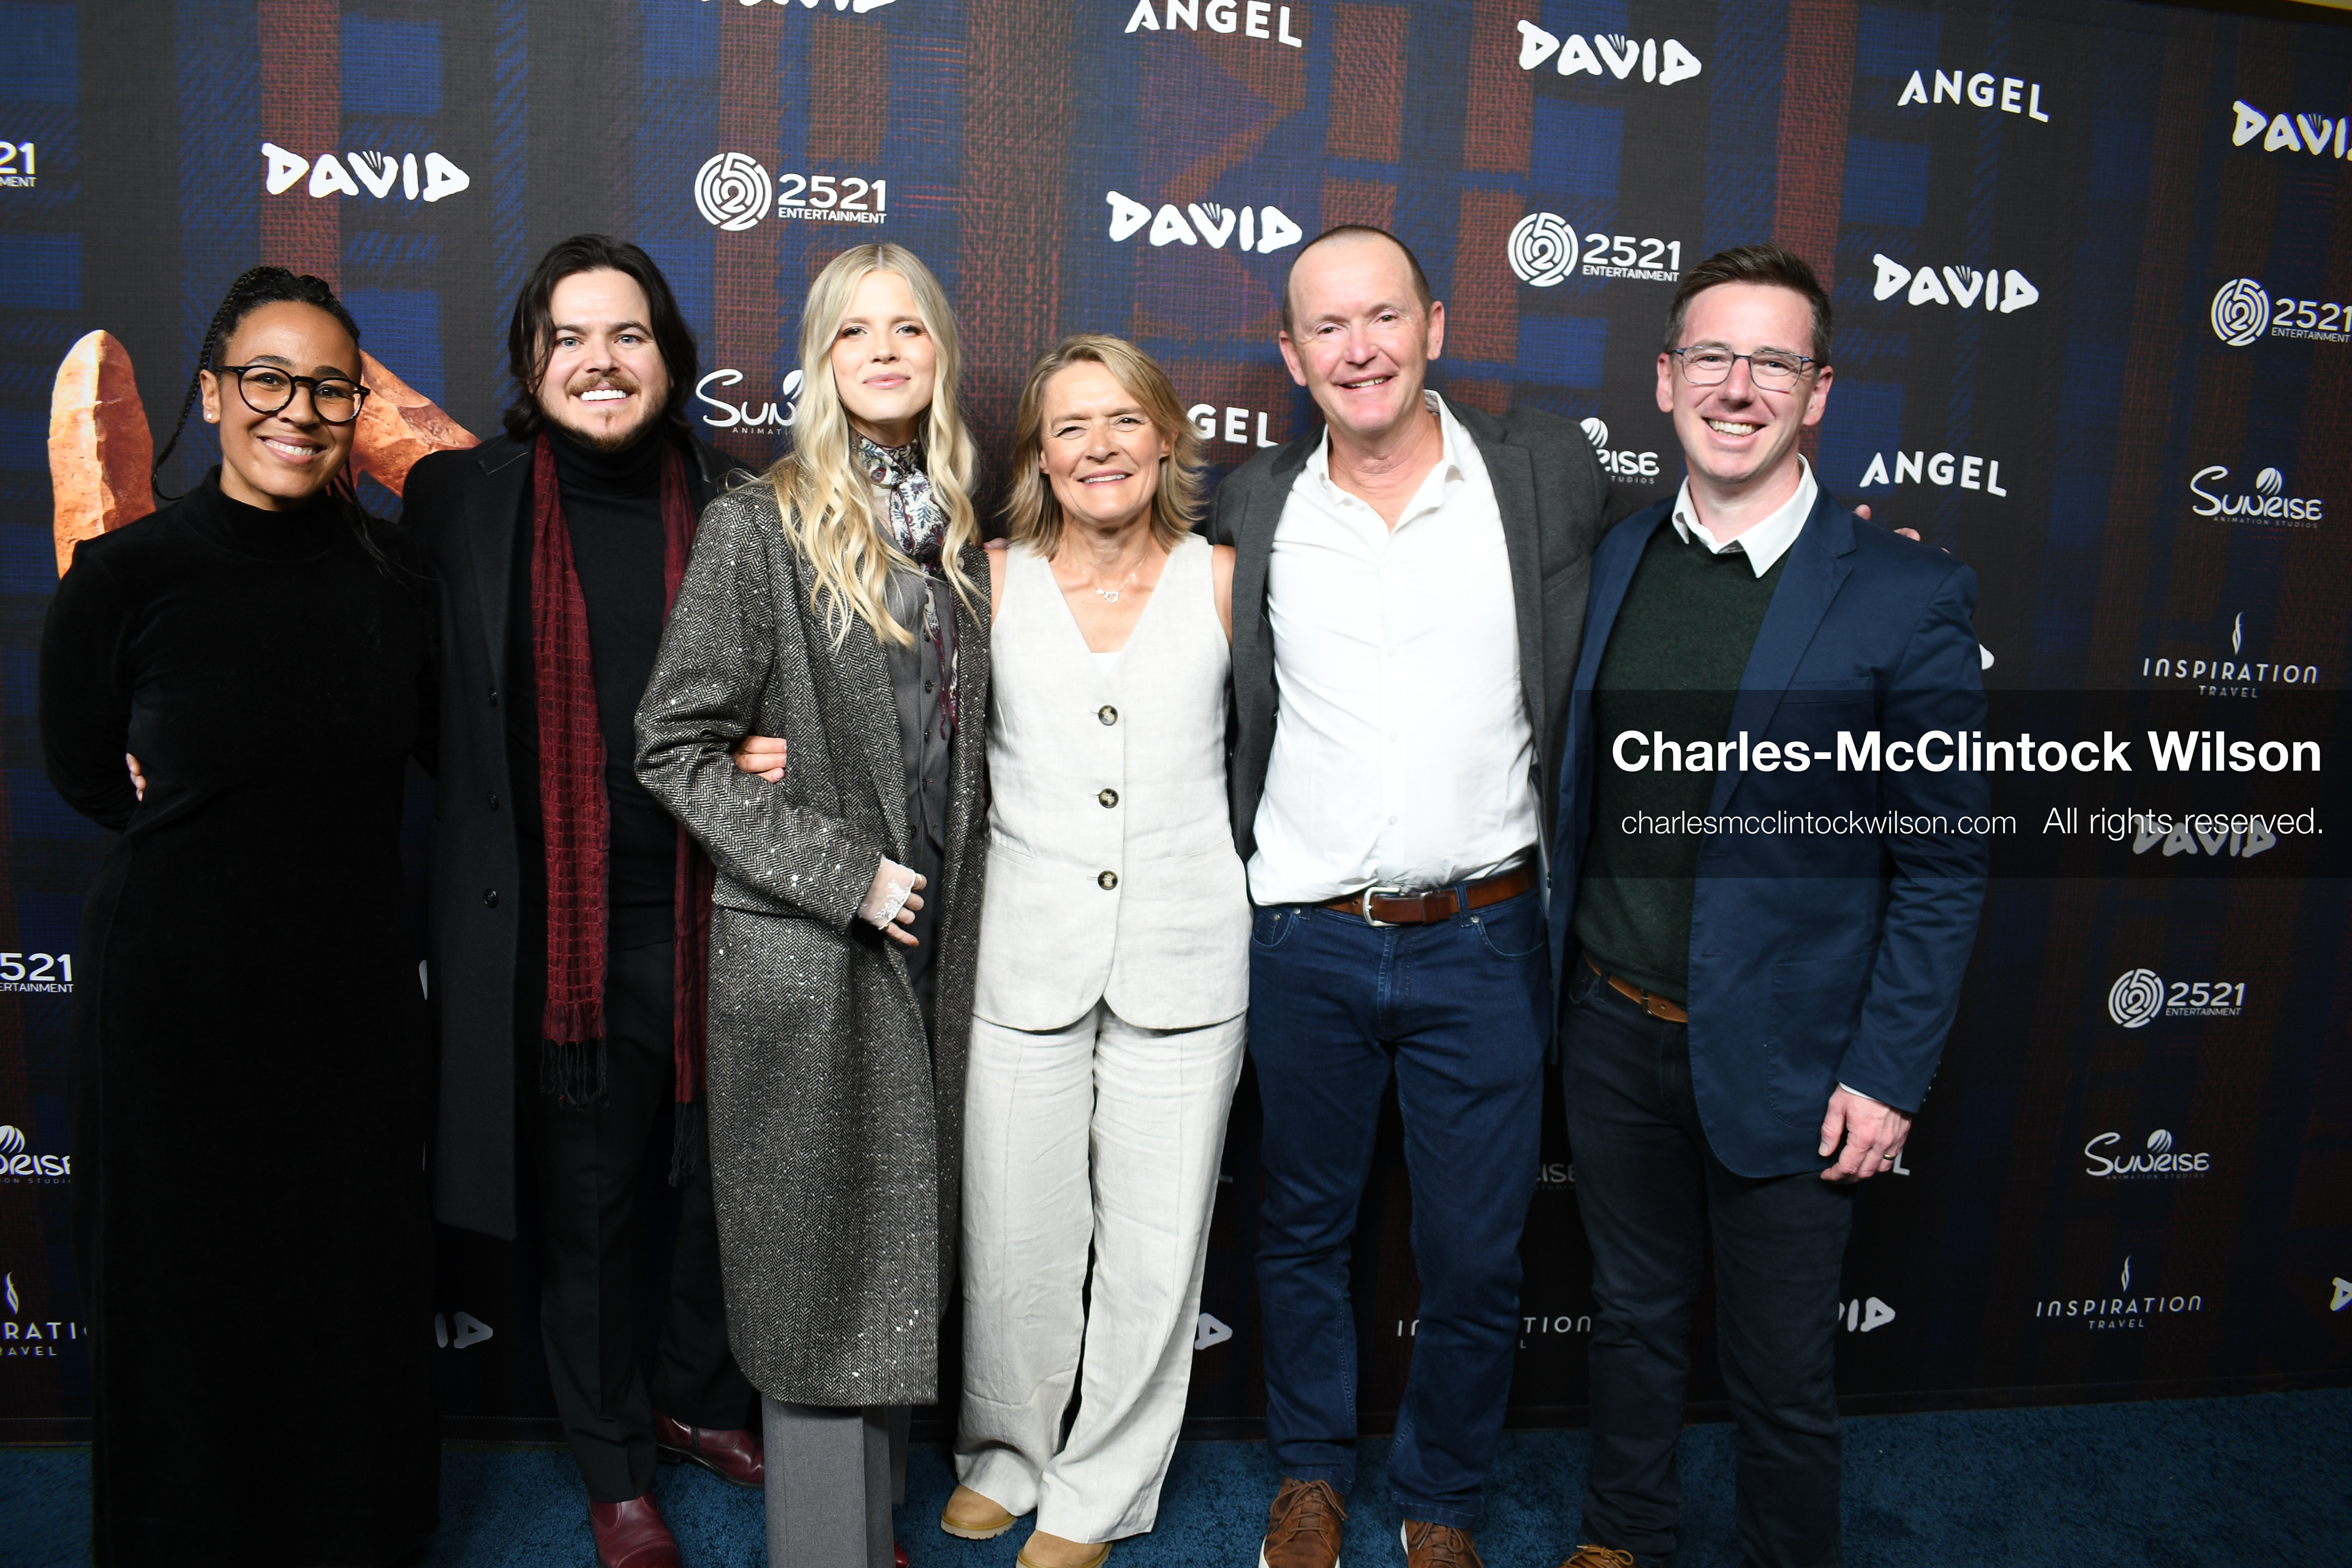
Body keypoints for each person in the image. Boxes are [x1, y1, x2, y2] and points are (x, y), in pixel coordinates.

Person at [1191, 222, 1641, 1568]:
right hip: (1307, 938)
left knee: (1477, 1250)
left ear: (1435, 324)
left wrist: (1845, 557)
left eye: (1383, 316)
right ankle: (1312, 1476)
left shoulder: (1545, 471)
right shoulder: (1255, 503)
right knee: (1302, 1229)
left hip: (1487, 938)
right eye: (1327, 328)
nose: (1359, 347)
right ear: (1290, 354)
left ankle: (1440, 1495)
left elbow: (1668, 567)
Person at [1542, 244, 1989, 1568]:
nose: (1739, 388)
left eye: (1774, 362)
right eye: (1713, 358)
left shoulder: (1907, 591)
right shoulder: (1618, 555)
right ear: (1668, 377)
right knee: (1629, 1314)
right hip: (1611, 1027)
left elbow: (1943, 863)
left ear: (1818, 391)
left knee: (1783, 1372)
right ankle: (1624, 1535)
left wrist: (1887, 1072)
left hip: (1799, 1061)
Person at [39, 266, 438, 1564]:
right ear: (213, 395)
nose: (299, 408)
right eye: (268, 378)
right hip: (172, 993)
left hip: (350, 992)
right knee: (177, 1293)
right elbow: (85, 768)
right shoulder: (122, 572)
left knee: (342, 1290)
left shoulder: (395, 575)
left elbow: (447, 749)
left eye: (331, 385)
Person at [405, 234, 760, 1568]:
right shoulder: (460, 499)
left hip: (722, 908)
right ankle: (614, 1465)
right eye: (571, 337)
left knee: (736, 1191)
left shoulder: (743, 504)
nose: (600, 362)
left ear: (669, 359)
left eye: (628, 337)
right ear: (531, 361)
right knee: (593, 1206)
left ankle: (694, 1397)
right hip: (561, 928)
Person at [634, 242, 990, 1568]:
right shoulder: (760, 521)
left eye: (910, 327)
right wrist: (846, 874)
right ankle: (825, 1550)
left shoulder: (956, 528)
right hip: (815, 949)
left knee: (892, 1264)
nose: (886, 350)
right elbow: (672, 743)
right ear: (821, 360)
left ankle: (863, 1538)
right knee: (821, 1273)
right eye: (857, 331)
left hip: (941, 946)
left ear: (939, 355)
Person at [933, 335, 1245, 1568]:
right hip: (1024, 954)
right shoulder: (988, 580)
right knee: (1014, 1236)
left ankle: (1100, 1486)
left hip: (1187, 951)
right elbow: (911, 747)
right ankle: (1006, 1456)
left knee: (1159, 1248)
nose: (1101, 445)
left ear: (1166, 436)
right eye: (1072, 426)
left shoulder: (1222, 578)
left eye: (1125, 420)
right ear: (1040, 457)